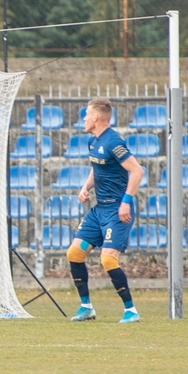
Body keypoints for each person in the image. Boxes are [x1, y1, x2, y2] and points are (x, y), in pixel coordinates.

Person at [66, 98, 144, 324]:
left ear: (96, 118)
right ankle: (86, 307)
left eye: (86, 115)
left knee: (108, 260)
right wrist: (85, 187)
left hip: (117, 211)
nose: (83, 118)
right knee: (74, 254)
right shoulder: (94, 142)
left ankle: (131, 310)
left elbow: (137, 171)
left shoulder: (113, 142)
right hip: (99, 210)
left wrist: (126, 201)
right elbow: (96, 167)